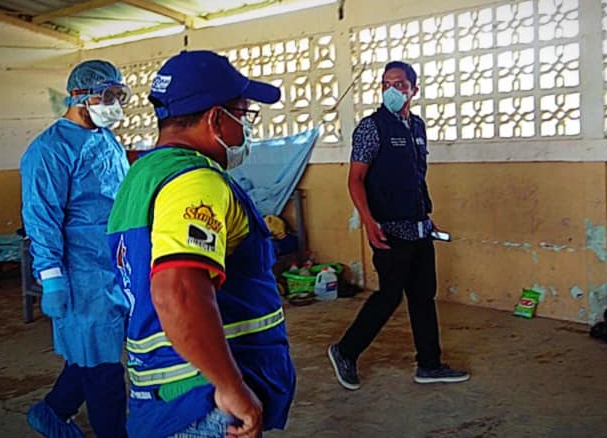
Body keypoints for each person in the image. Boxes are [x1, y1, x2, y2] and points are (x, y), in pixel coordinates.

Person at [107, 50, 295, 438]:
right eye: (243, 114)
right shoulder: (196, 180)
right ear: (216, 119)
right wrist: (231, 387)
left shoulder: (142, 175)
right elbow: (178, 290)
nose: (246, 127)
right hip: (202, 402)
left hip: (160, 396)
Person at [328, 61, 470, 391]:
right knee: (390, 295)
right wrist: (368, 221)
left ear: (413, 90)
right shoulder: (371, 128)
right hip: (389, 229)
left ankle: (429, 365)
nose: (392, 90)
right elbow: (355, 180)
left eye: (400, 84)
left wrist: (425, 217)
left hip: (419, 228)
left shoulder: (417, 126)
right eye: (386, 84)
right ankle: (345, 351)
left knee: (423, 296)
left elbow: (416, 177)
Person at [21, 60, 132, 438]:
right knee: (104, 368)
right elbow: (41, 217)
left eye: (119, 95)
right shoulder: (49, 150)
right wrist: (51, 276)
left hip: (114, 264)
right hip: (81, 273)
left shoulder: (106, 139)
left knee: (93, 352)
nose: (114, 104)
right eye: (106, 95)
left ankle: (51, 412)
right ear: (79, 96)